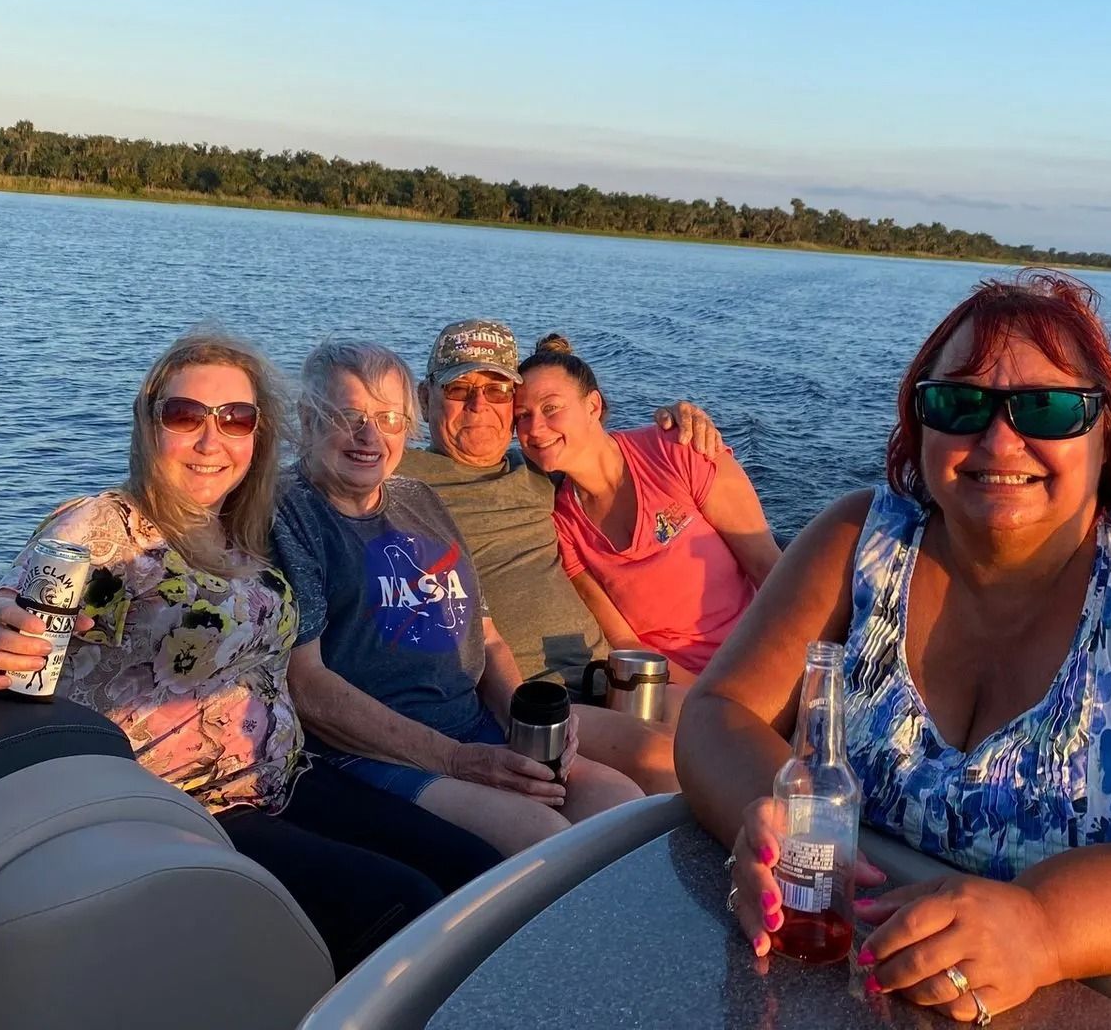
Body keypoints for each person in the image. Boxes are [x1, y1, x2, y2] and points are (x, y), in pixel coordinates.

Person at [678, 272, 1111, 1020]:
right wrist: (776, 825)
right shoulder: (858, 543)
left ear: (1107, 434)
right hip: (857, 994)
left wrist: (1043, 927)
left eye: (1047, 408)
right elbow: (718, 710)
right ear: (921, 427)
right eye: (959, 402)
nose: (999, 438)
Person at [0, 330, 500, 972]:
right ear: (149, 425)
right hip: (183, 804)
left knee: (477, 868)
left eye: (236, 418)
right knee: (408, 904)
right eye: (185, 415)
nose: (211, 440)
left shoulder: (245, 526)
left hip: (286, 780)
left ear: (257, 435)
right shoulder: (102, 530)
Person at [275, 339, 645, 857]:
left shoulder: (418, 499)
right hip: (371, 754)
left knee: (620, 804)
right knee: (543, 839)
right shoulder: (290, 515)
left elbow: (487, 638)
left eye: (388, 418)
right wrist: (457, 760)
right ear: (308, 420)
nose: (370, 436)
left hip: (473, 724)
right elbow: (308, 686)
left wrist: (522, 721)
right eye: (347, 415)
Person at [400, 317, 727, 790]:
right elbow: (330, 466)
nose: (478, 406)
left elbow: (593, 450)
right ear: (424, 397)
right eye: (458, 389)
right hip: (537, 699)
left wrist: (680, 422)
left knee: (717, 723)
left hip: (612, 680)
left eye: (496, 391)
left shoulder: (537, 476)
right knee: (667, 757)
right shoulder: (396, 477)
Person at [514, 333, 781, 683]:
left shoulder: (678, 450)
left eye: (551, 408)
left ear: (593, 406)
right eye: (522, 416)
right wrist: (707, 700)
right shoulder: (561, 523)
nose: (535, 428)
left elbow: (769, 568)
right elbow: (625, 642)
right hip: (672, 686)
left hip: (760, 654)